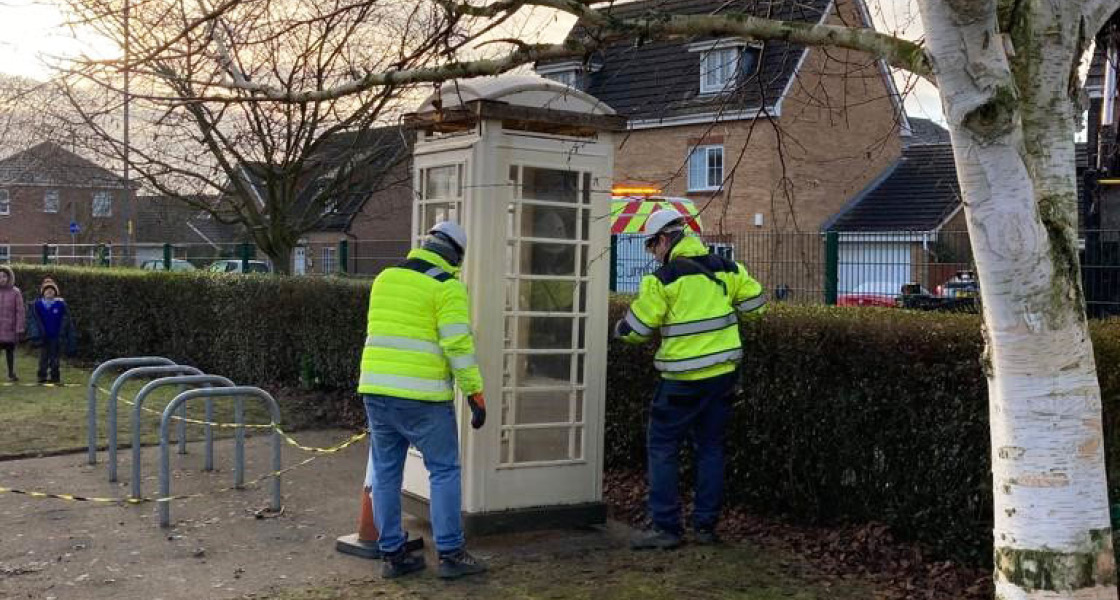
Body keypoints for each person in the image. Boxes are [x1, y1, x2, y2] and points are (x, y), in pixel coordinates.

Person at [614, 208, 767, 550]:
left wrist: (619, 329)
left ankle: (666, 528)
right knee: (711, 448)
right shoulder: (727, 268)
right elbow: (757, 304)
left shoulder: (662, 279)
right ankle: (705, 527)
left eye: (652, 245)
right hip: (723, 378)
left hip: (681, 380)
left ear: (666, 239)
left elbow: (637, 330)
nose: (652, 253)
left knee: (663, 447)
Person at [358, 220, 488, 580]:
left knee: (386, 473)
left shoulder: (385, 277)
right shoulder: (447, 288)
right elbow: (458, 347)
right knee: (444, 469)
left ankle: (394, 555)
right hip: (423, 397)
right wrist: (475, 394)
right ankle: (451, 553)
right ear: (456, 256)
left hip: (375, 390)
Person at [32, 278, 68, 384]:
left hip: (55, 336)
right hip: (43, 336)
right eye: (47, 290)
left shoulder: (60, 305)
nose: (49, 292)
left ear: (55, 292)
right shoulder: (38, 305)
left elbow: (65, 319)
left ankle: (55, 377)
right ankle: (41, 376)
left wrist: (62, 332)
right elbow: (35, 319)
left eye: (52, 290)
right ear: (43, 292)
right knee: (43, 358)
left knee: (55, 358)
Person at [0, 265, 25, 382]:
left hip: (10, 329)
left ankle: (11, 374)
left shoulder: (16, 292)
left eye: (4, 276)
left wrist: (19, 328)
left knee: (10, 353)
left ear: (9, 277)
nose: (2, 279)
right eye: (0, 277)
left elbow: (20, 311)